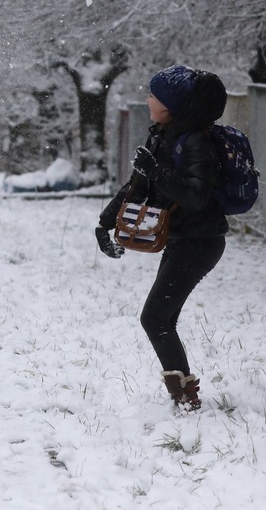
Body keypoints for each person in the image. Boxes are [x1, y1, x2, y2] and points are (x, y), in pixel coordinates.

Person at [96, 65, 228, 411]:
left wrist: (157, 170)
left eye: (153, 95)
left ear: (171, 105)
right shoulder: (163, 135)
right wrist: (104, 222)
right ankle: (184, 394)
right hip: (183, 239)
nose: (147, 98)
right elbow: (137, 185)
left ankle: (186, 398)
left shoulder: (195, 141)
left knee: (154, 318)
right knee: (161, 318)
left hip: (201, 241)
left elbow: (196, 196)